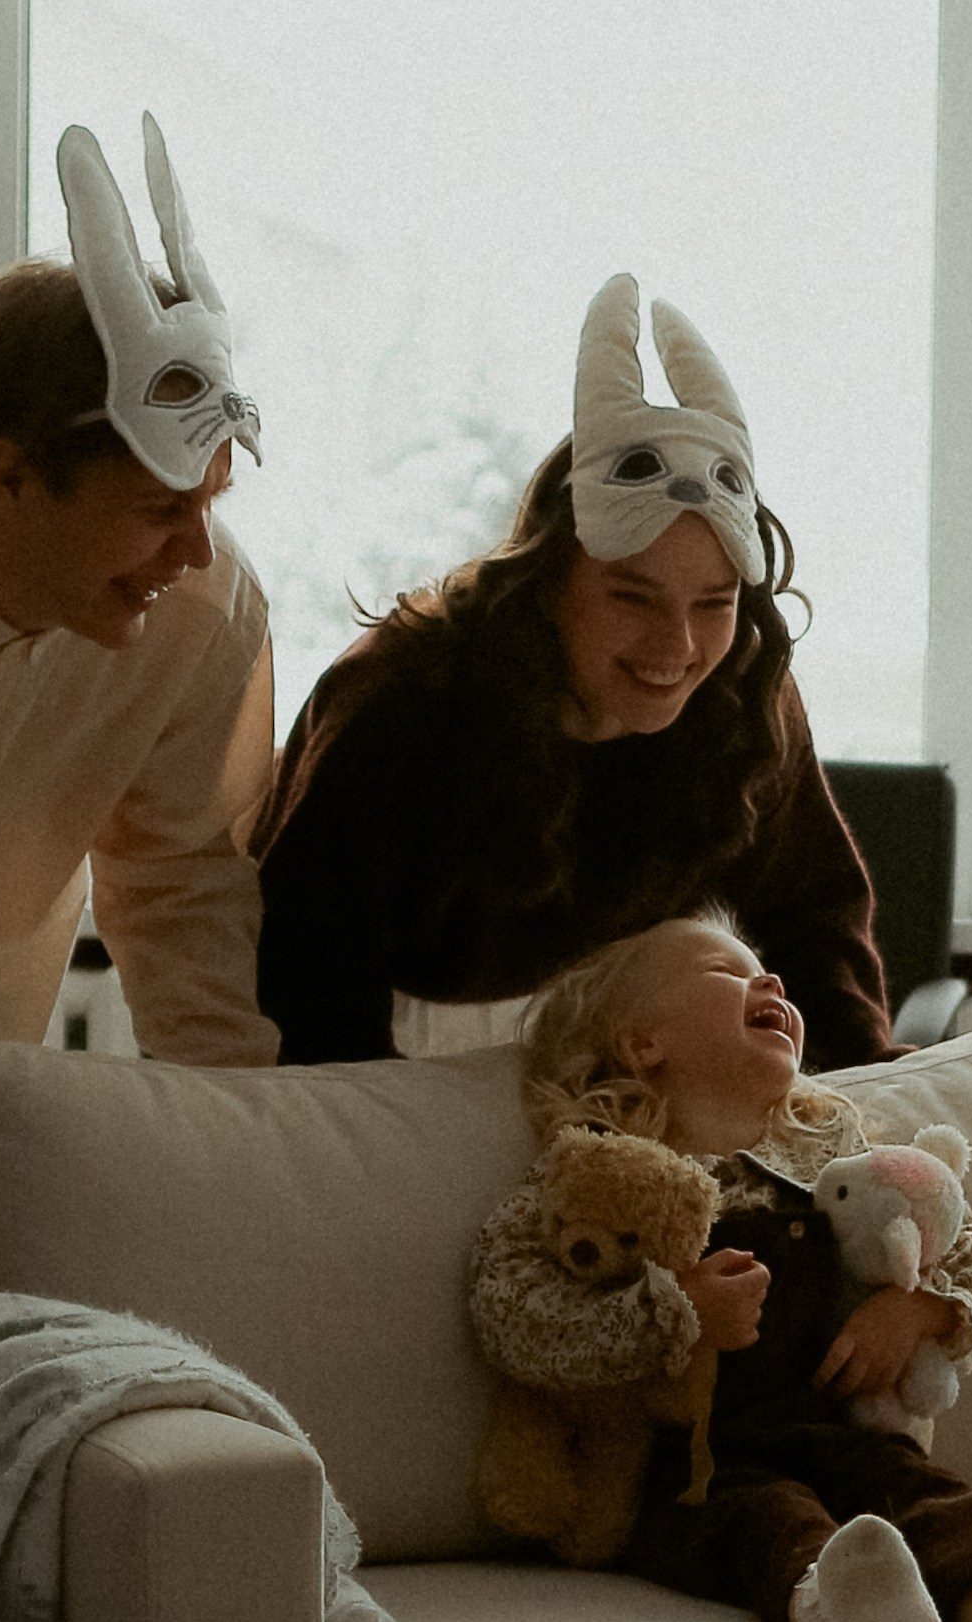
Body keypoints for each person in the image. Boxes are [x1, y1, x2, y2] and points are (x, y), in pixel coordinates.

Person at [470, 911, 972, 1622]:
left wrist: (918, 1309)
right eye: (724, 972)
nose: (769, 981)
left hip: (840, 1436)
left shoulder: (835, 1158)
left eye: (765, 972)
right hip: (687, 1470)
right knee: (764, 1520)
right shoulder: (598, 1173)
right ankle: (847, 1608)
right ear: (642, 1045)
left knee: (933, 1502)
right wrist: (672, 1310)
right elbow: (512, 1315)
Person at [253, 272, 900, 1069]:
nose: (677, 646)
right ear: (547, 578)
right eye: (632, 596)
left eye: (712, 603)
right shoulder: (402, 701)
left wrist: (856, 1106)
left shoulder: (743, 690)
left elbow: (811, 927)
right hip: (394, 1060)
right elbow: (312, 981)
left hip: (635, 1064)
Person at [0, 114, 279, 1067]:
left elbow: (185, 890)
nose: (196, 553)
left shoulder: (210, 616)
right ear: (7, 475)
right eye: (161, 508)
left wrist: (227, 1121)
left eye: (211, 504)